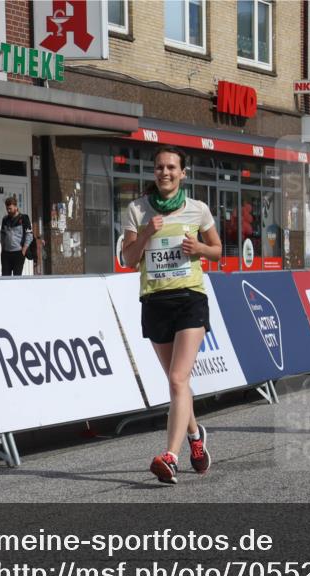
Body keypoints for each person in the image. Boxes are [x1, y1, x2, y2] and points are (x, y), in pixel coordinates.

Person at [121, 146, 222, 483]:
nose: (165, 173)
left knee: (179, 379)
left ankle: (171, 457)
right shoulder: (137, 210)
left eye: (171, 168)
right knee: (176, 383)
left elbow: (218, 251)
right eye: (160, 168)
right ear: (154, 172)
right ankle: (196, 437)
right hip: (154, 301)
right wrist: (148, 232)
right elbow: (128, 259)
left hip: (189, 299)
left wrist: (201, 249)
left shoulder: (198, 210)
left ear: (183, 173)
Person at [0, 196, 33, 276]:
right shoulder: (5, 219)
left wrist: (24, 250)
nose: (8, 210)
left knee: (16, 278)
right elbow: (2, 234)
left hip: (18, 253)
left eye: (10, 208)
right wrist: (2, 247)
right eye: (7, 209)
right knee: (5, 277)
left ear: (16, 207)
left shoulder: (24, 218)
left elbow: (29, 235)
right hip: (6, 254)